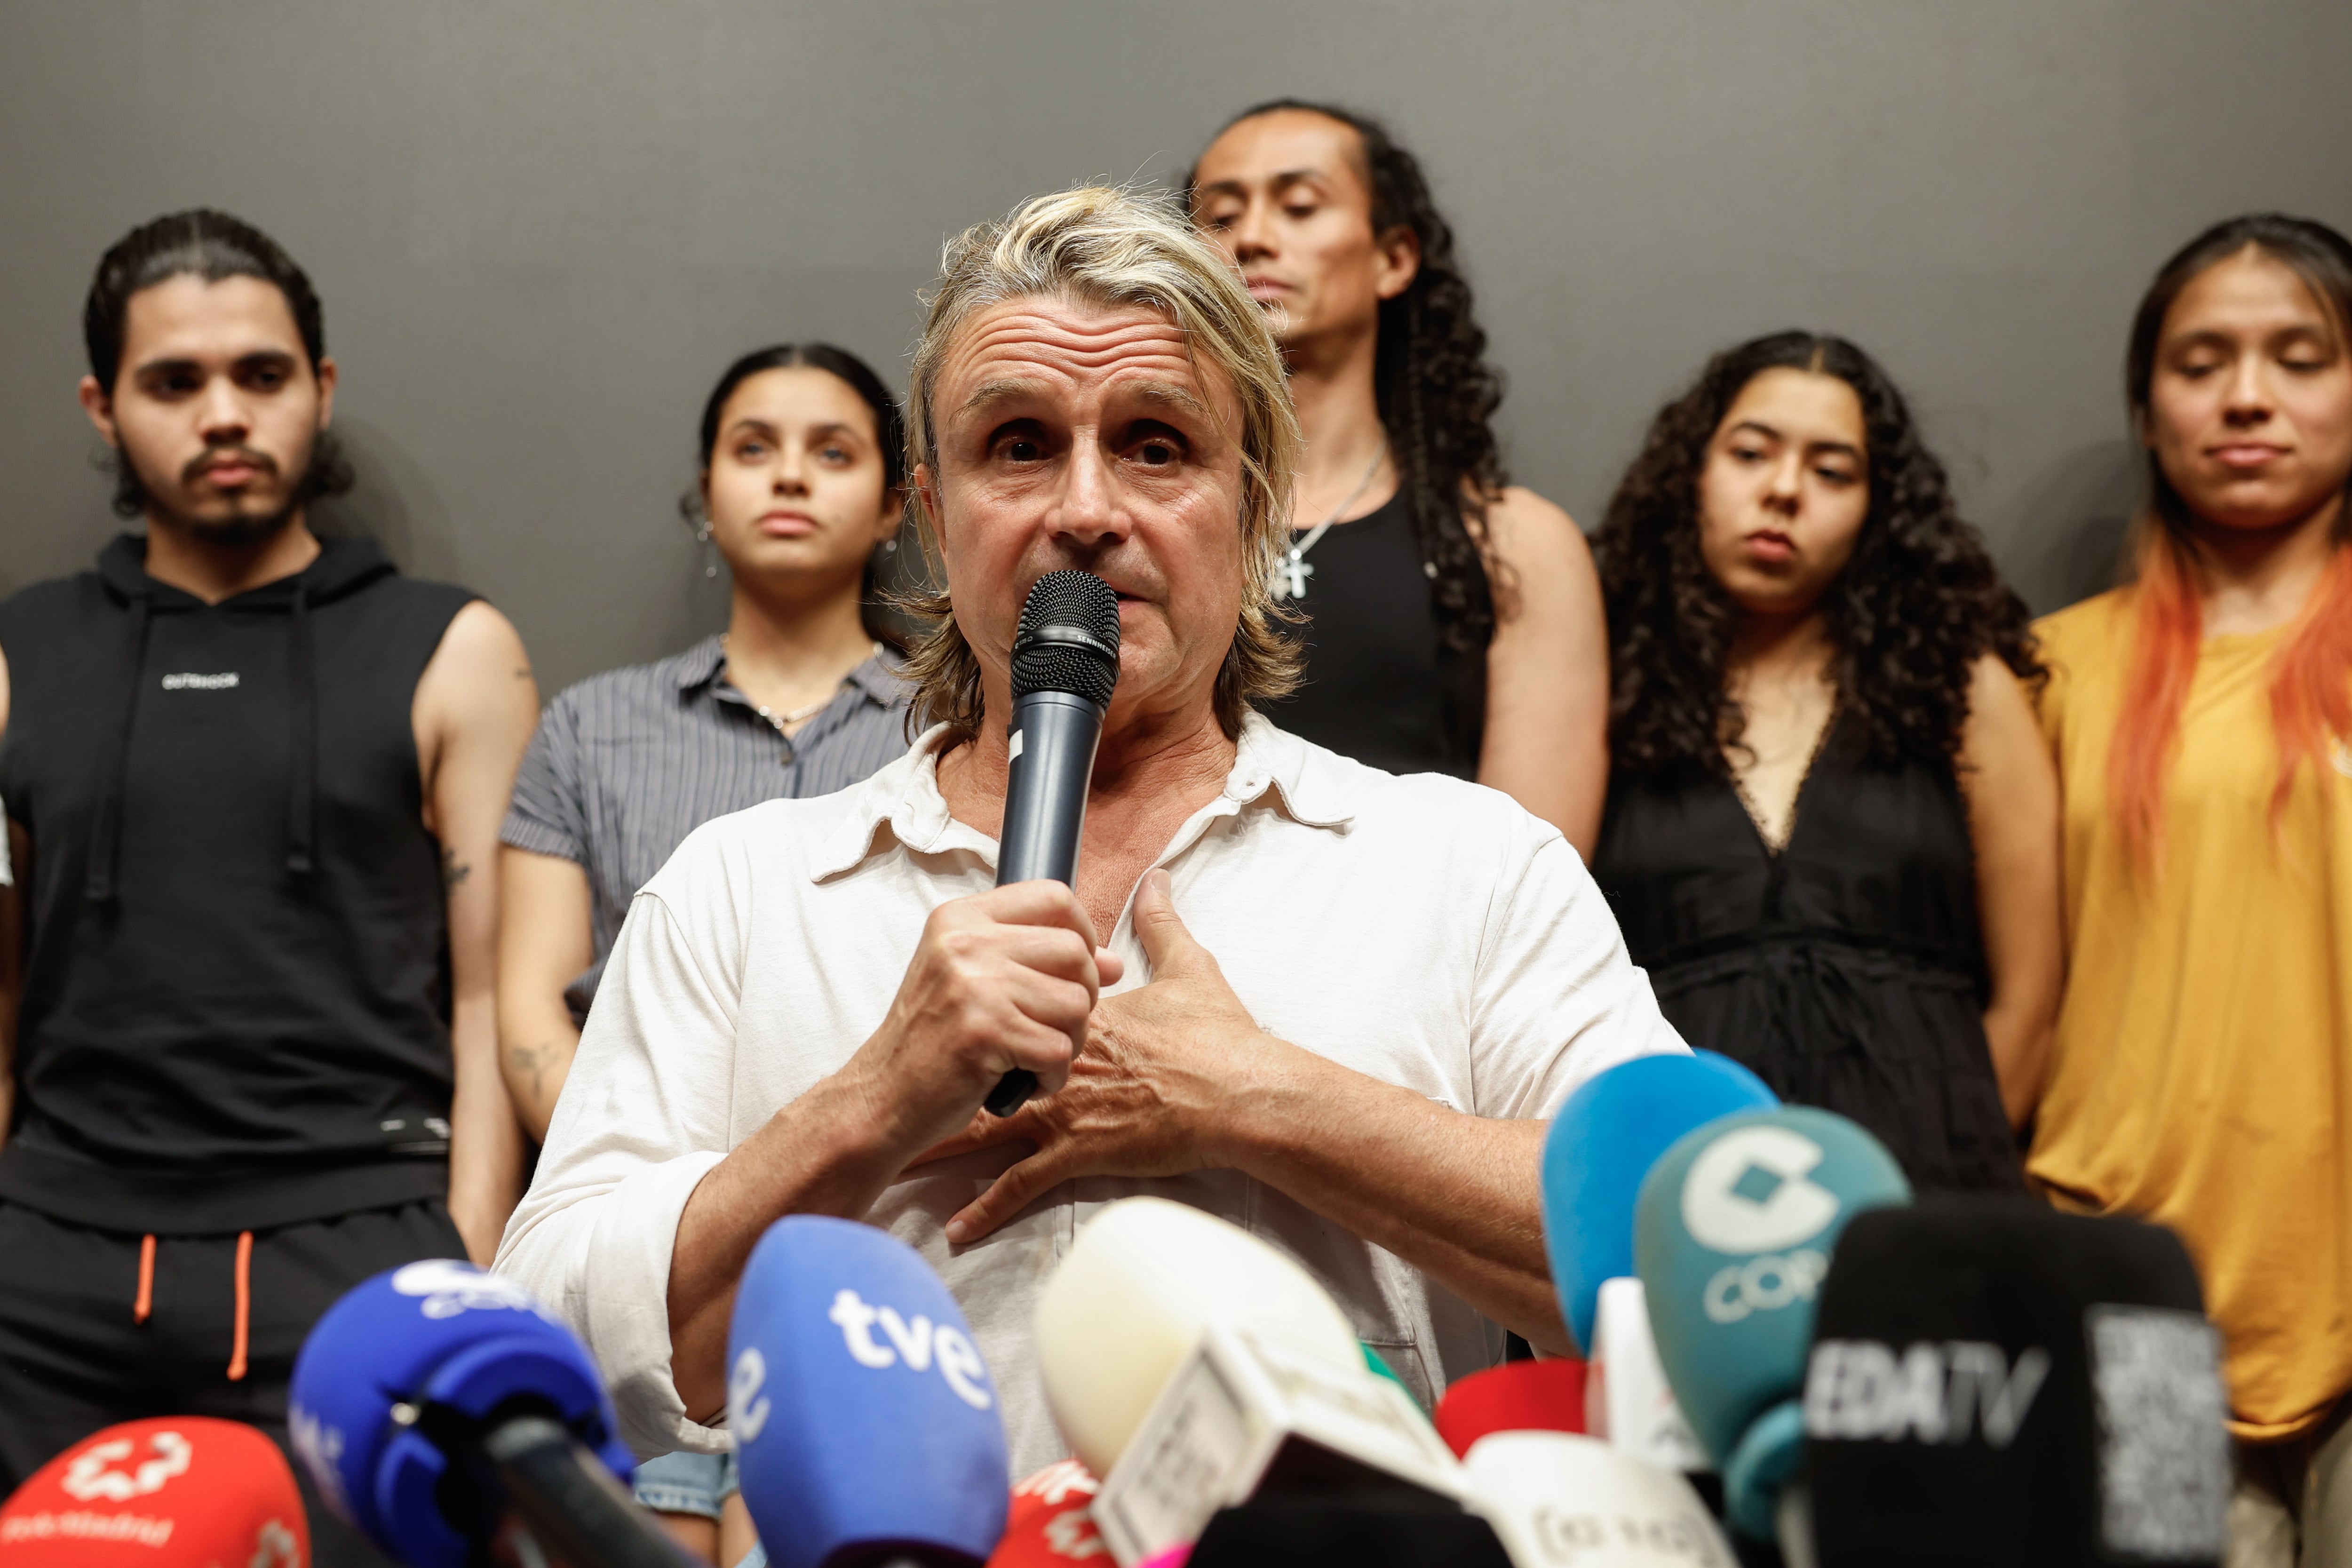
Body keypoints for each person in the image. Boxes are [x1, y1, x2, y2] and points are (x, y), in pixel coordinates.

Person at [495, 185, 1685, 1473]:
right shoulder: (741, 891)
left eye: (1157, 445)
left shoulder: (1465, 866)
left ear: (1255, 506)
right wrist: (875, 1096)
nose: (1086, 509)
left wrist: (1265, 1100)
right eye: (1017, 443)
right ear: (935, 517)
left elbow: (1684, 1282)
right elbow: (552, 1346)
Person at [0, 211, 536, 1564]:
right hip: (51, 1257)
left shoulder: (455, 650)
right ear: (103, 408)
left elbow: (487, 997)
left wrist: (460, 1264)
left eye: (262, 374)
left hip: (355, 1243)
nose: (224, 414)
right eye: (174, 382)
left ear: (322, 387)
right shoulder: (15, 654)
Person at [496, 343, 911, 1566]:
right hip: (645, 1256)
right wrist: (678, 1200)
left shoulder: (958, 728)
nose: (791, 475)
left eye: (834, 450)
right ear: (704, 487)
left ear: (898, 503)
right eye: (754, 447)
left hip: (878, 1257)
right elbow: (526, 1003)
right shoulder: (589, 726)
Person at [2028, 214, 2352, 1566]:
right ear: (2148, 406)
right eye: (2202, 360)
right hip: (2134, 1300)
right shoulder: (2046, 670)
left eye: (2300, 356)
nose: (2247, 397)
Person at [1589, 331, 2060, 1193]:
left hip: (1932, 1198)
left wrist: (1953, 1160)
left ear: (1879, 510)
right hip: (1679, 1205)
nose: (1783, 490)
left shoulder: (1963, 687)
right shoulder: (1601, 684)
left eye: (1833, 470)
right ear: (1692, 472)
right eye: (1750, 452)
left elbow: (2030, 1003)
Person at [1186, 102, 1609, 852]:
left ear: (1395, 258)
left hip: (1429, 958)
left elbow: (1536, 877)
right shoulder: (1127, 521)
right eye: (1219, 215)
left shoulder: (1516, 545)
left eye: (1300, 205)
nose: (1251, 236)